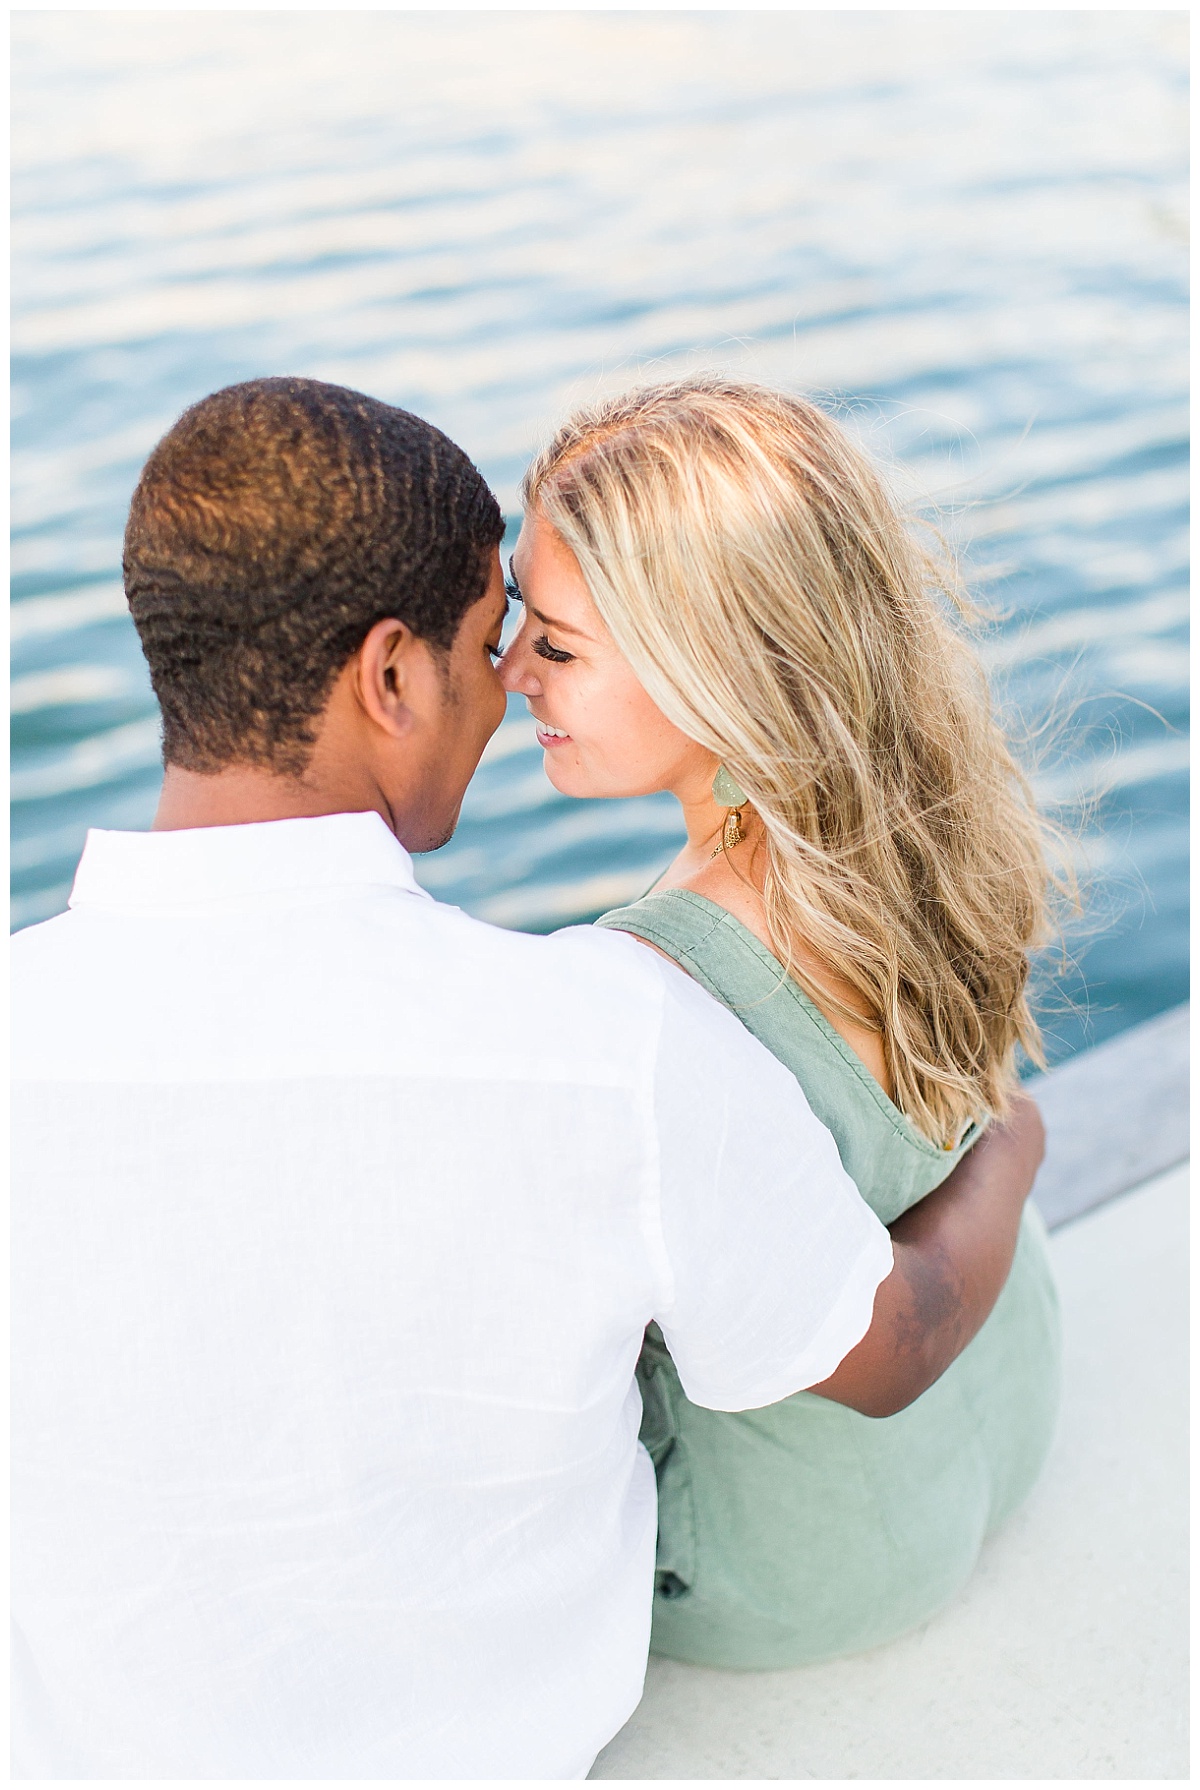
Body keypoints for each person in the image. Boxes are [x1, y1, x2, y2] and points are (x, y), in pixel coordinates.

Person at [12, 376, 1044, 1780]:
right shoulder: (600, 1043)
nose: (509, 687)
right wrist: (1015, 1144)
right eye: (497, 641)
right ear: (389, 677)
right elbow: (884, 1340)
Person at [499, 374, 1062, 1669]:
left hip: (802, 1568)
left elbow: (869, 1348)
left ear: (716, 665)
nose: (514, 669)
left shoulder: (649, 981)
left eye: (561, 644)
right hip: (1011, 1411)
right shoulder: (924, 818)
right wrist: (1013, 1142)